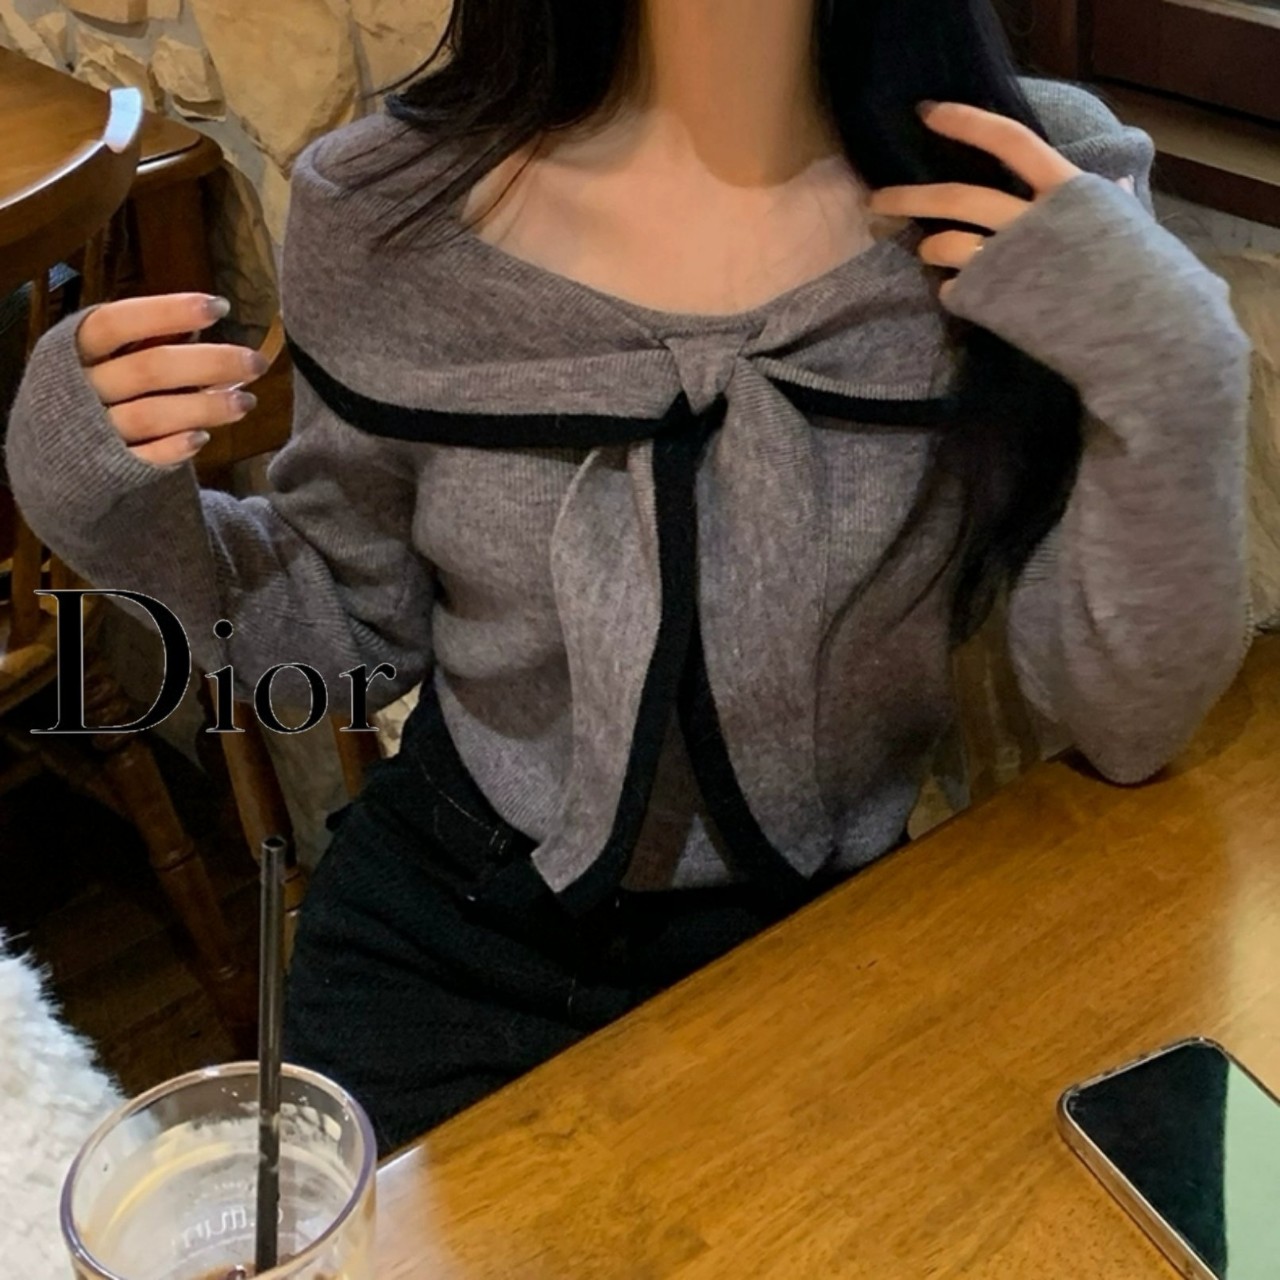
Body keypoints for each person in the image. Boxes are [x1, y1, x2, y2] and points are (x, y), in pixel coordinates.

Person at [4, 0, 1251, 1155]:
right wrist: (99, 498)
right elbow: (340, 639)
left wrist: (1173, 363)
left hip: (843, 934)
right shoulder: (387, 212)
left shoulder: (1032, 188)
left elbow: (1125, 723)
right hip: (449, 932)